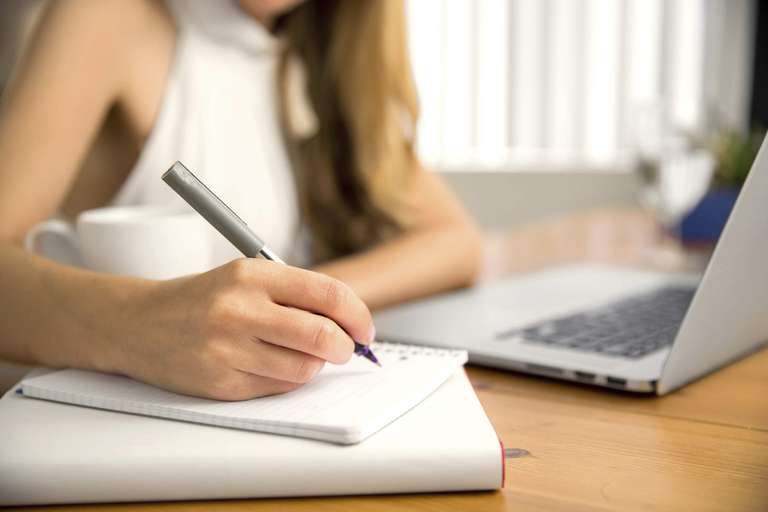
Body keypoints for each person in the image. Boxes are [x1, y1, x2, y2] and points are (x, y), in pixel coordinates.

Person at [0, 0, 481, 400]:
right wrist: (137, 323)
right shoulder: (107, 16)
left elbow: (457, 242)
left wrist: (305, 302)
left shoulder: (313, 56)